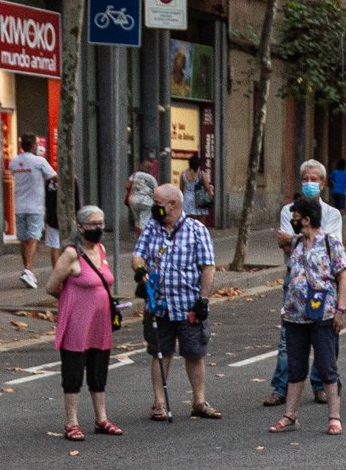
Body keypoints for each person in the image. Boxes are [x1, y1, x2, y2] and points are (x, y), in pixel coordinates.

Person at [135, 180, 221, 421]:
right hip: (159, 304)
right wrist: (140, 270)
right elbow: (137, 255)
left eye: (157, 204)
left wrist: (203, 300)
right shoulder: (152, 227)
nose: (154, 208)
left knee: (195, 354)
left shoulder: (196, 230)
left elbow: (208, 267)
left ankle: (199, 401)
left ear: (173, 205)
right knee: (160, 353)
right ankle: (159, 404)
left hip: (188, 305)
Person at [270, 195, 346, 437]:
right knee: (296, 366)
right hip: (295, 314)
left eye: (295, 218)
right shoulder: (296, 243)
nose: (292, 222)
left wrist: (340, 310)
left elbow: (343, 277)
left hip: (322, 313)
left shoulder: (330, 243)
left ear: (307, 219)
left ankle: (334, 416)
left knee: (327, 365)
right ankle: (290, 415)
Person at [48, 205, 120, 441]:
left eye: (101, 223)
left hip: (100, 324)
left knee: (99, 371)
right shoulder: (71, 253)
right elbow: (51, 286)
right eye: (93, 224)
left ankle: (101, 418)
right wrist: (73, 301)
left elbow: (105, 282)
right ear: (80, 227)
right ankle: (71, 422)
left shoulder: (101, 249)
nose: (98, 228)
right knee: (73, 372)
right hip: (77, 324)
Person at [8, 136, 55, 288]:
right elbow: (55, 177)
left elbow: (14, 173)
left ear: (21, 145)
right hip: (35, 206)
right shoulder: (39, 161)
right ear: (34, 145)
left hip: (19, 206)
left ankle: (27, 271)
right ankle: (28, 270)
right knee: (33, 238)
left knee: (23, 239)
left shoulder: (14, 161)